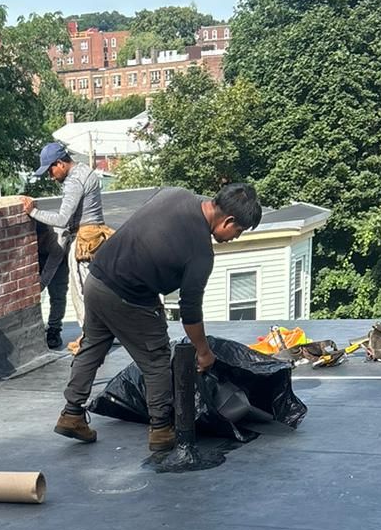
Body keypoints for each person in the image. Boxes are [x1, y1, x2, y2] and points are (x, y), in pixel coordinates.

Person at [54, 182, 262, 453]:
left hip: (98, 278)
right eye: (239, 230)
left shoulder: (175, 194)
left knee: (92, 346)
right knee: (156, 359)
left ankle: (71, 413)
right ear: (229, 220)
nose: (236, 236)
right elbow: (190, 311)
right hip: (128, 295)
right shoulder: (201, 252)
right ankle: (162, 429)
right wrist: (204, 352)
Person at [21, 140, 106, 349]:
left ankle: (90, 339)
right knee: (92, 291)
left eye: (51, 171)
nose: (51, 177)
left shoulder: (74, 181)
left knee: (81, 293)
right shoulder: (87, 171)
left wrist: (32, 212)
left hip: (83, 240)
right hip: (95, 237)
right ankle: (96, 335)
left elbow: (62, 219)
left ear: (60, 163)